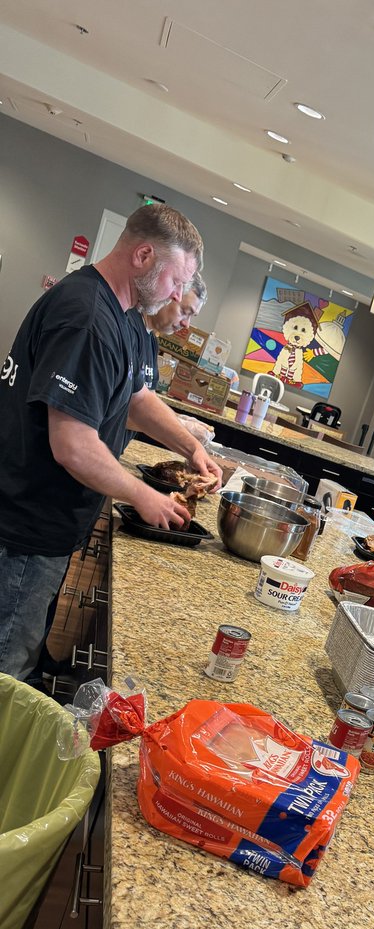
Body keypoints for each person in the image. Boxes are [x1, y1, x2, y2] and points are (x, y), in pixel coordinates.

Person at [0, 203, 222, 682]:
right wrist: (144, 495)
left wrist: (191, 447)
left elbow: (136, 398)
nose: (178, 296)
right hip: (24, 526)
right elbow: (73, 444)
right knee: (6, 668)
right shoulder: (86, 316)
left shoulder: (122, 315)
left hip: (48, 523)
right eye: (177, 282)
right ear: (143, 255)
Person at [129, 271, 208, 395]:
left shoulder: (151, 341)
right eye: (184, 311)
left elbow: (150, 396)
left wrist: (177, 416)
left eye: (192, 316)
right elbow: (136, 402)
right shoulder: (129, 327)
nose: (186, 324)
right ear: (170, 294)